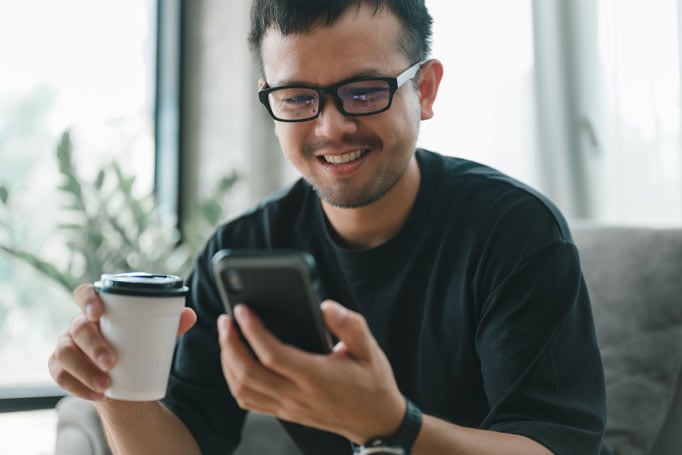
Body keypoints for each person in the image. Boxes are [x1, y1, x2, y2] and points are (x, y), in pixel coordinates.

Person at [49, 0, 610, 454]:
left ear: (426, 90)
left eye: (364, 91)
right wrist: (112, 391)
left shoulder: (514, 232)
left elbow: (549, 447)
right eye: (297, 97)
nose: (330, 127)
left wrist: (393, 425)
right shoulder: (243, 249)